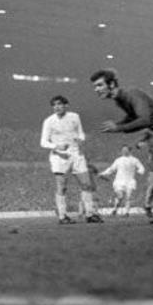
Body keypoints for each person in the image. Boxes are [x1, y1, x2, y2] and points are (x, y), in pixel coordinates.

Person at [40, 95, 103, 224]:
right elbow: (43, 142)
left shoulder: (75, 117)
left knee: (86, 184)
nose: (56, 107)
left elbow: (81, 133)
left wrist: (81, 139)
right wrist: (56, 146)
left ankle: (90, 214)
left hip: (76, 154)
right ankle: (62, 216)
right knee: (62, 186)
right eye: (54, 105)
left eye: (59, 104)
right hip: (60, 157)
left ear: (66, 105)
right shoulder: (49, 121)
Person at [99, 145, 145, 217]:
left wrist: (140, 171)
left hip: (130, 181)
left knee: (128, 197)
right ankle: (115, 209)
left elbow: (141, 167)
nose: (124, 151)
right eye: (123, 150)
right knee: (120, 196)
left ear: (129, 151)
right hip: (119, 181)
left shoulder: (134, 160)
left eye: (126, 150)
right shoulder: (118, 160)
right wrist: (103, 173)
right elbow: (111, 169)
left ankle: (126, 213)